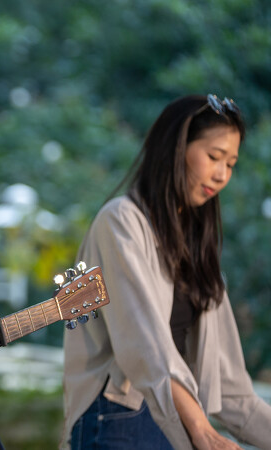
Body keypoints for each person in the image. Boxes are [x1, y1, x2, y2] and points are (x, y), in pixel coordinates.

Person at [62, 94, 271, 449]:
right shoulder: (120, 221)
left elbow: (232, 390)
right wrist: (202, 430)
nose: (221, 175)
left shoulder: (196, 243)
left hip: (178, 418)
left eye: (231, 164)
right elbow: (146, 347)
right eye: (214, 156)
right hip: (121, 415)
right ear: (176, 149)